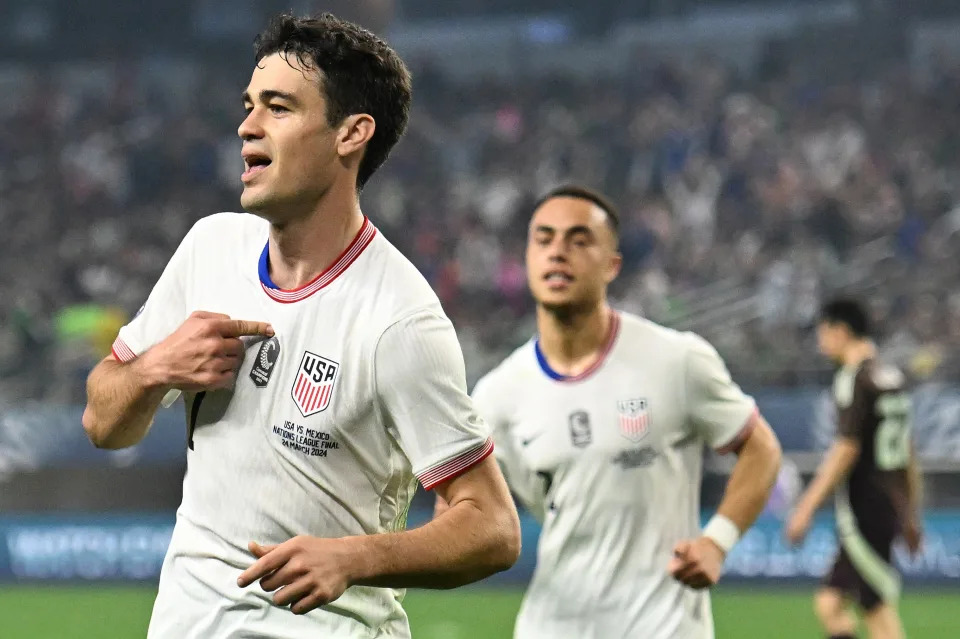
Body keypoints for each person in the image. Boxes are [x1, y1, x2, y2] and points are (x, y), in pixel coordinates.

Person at [81, 13, 520, 639]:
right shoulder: (210, 248)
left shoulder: (399, 319)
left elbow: (492, 527)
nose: (246, 127)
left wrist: (354, 557)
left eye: (279, 108)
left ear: (351, 134)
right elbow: (103, 424)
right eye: (249, 104)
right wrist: (153, 370)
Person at [438, 185, 783, 638]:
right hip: (552, 625)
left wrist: (717, 541)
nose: (557, 252)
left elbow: (762, 449)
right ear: (526, 259)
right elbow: (455, 508)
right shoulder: (499, 394)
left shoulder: (676, 361)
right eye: (543, 240)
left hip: (664, 626)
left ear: (612, 265)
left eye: (579, 241)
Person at [786, 299, 923, 639]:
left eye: (823, 333)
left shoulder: (853, 379)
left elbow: (846, 449)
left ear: (840, 331)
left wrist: (805, 506)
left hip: (864, 510)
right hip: (885, 507)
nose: (820, 343)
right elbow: (906, 453)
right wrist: (909, 513)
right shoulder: (890, 377)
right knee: (830, 604)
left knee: (877, 614)